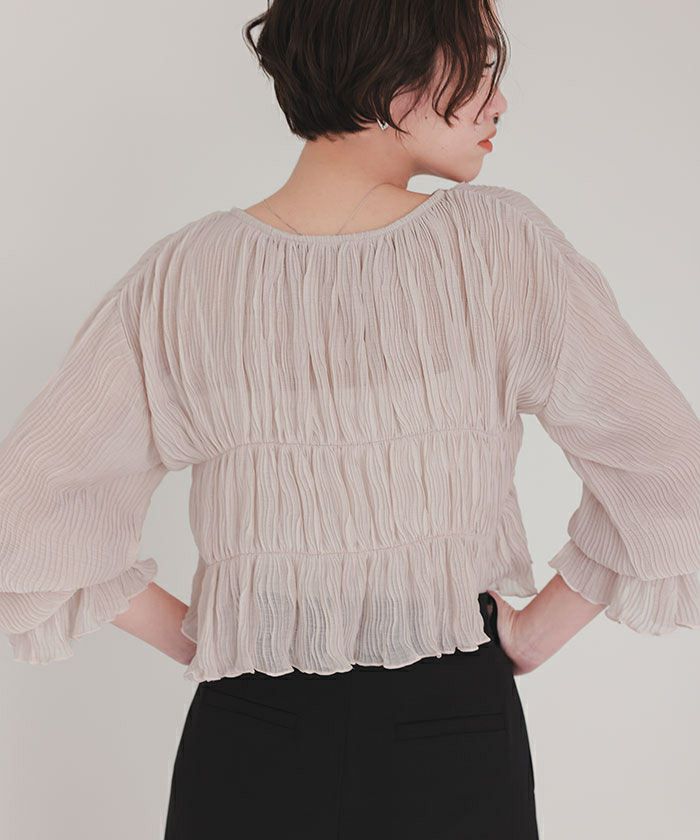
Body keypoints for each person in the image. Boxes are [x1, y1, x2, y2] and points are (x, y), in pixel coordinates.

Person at [2, 2, 699, 839]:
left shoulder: (183, 276)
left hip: (245, 735)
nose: (499, 102)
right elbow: (667, 464)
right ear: (393, 73)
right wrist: (535, 633)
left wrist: (216, 642)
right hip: (452, 731)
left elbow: (29, 507)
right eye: (477, 67)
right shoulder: (497, 246)